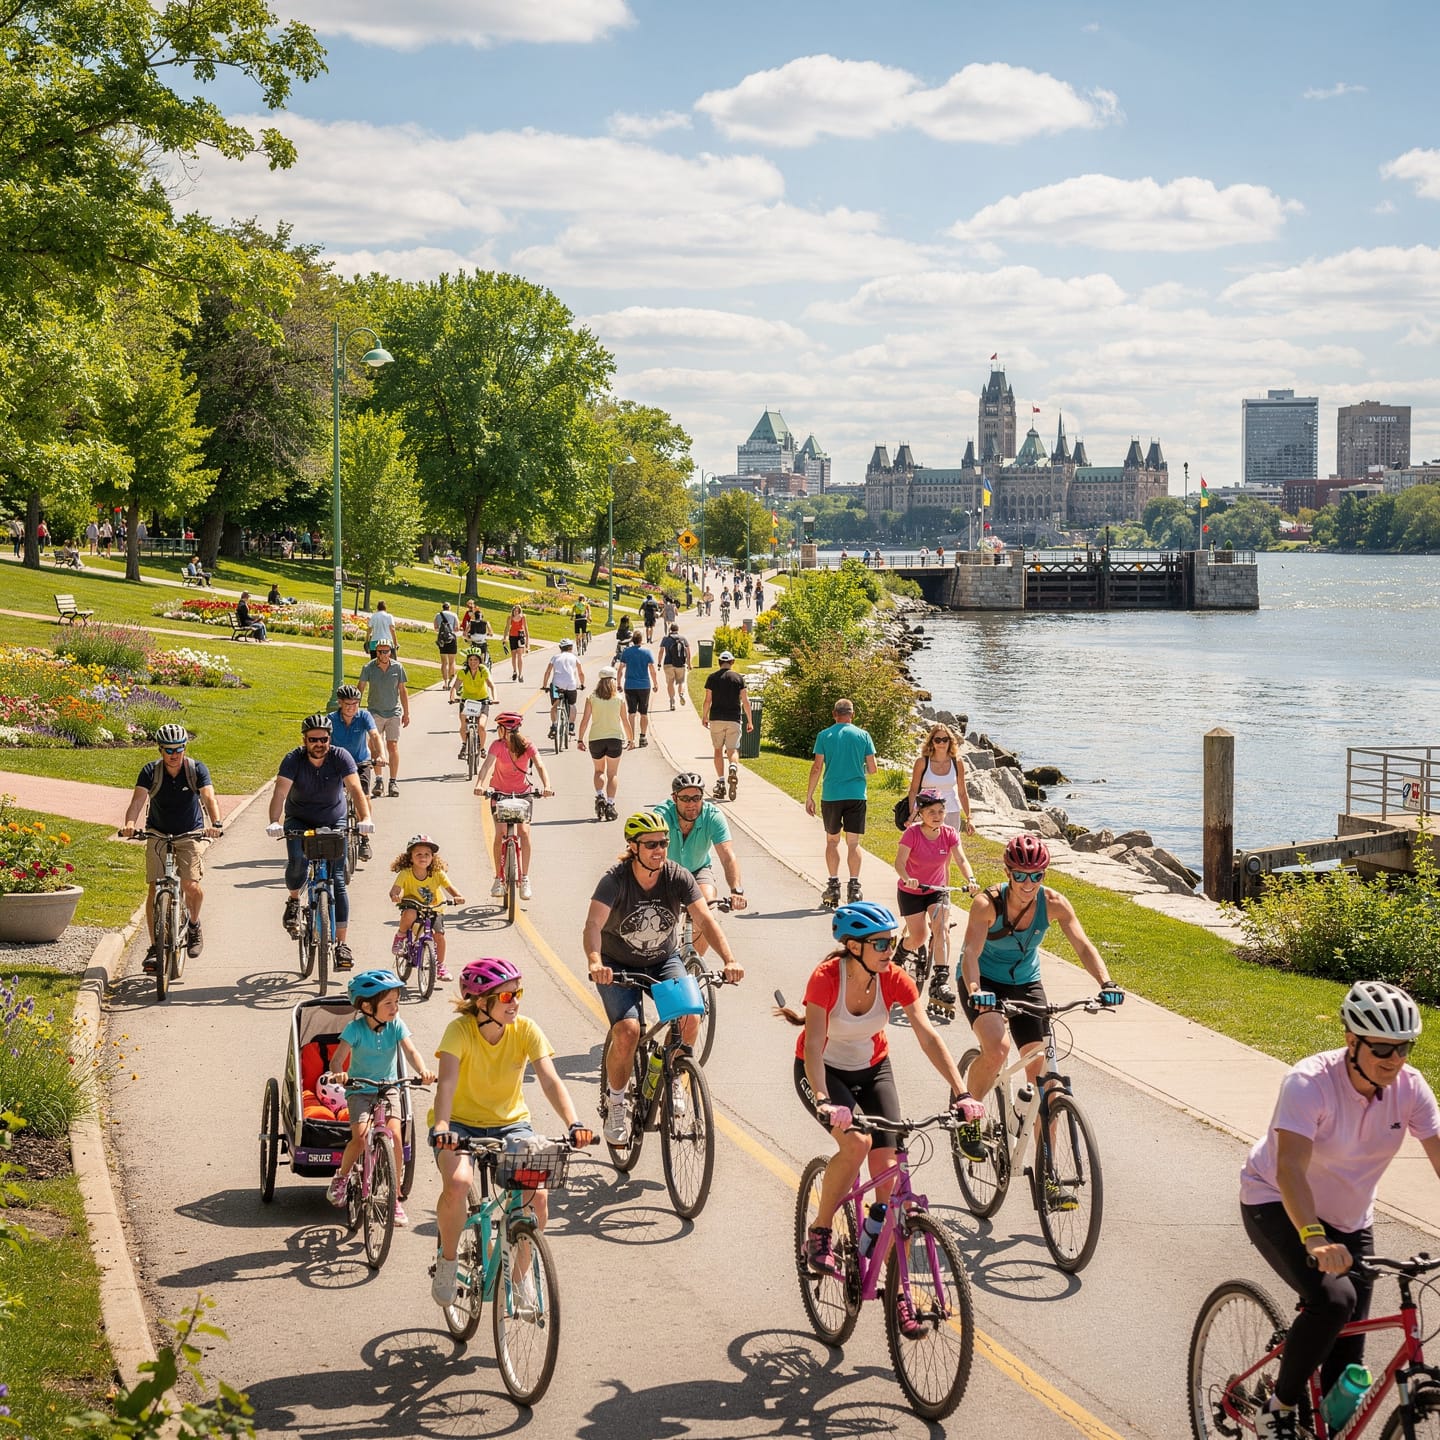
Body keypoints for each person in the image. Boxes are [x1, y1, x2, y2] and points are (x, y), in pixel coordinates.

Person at [1239, 982, 1440, 1440]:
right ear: (1352, 1040)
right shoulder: (1309, 1082)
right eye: (1383, 1048)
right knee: (1335, 1301)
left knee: (1345, 1374)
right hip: (1277, 1201)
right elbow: (1289, 1168)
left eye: (1403, 1047)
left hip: (1350, 1220)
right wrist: (1313, 1237)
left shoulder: (1409, 1087)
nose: (1395, 1059)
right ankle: (1279, 1406)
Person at [781, 901, 979, 1331]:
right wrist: (821, 1099)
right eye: (881, 943)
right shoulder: (825, 979)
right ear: (853, 947)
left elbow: (927, 1036)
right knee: (856, 1143)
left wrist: (962, 1093)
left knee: (890, 1184)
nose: (891, 949)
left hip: (873, 1069)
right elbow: (813, 1045)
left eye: (893, 940)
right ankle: (819, 1232)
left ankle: (898, 1292)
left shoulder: (893, 978)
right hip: (823, 1072)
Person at [429, 957, 596, 1308]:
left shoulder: (526, 1029)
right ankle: (447, 1261)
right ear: (481, 1002)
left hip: (511, 1124)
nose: (515, 1002)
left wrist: (574, 1123)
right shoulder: (459, 1032)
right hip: (457, 1124)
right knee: (458, 1183)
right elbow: (446, 1084)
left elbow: (550, 1079)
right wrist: (443, 1127)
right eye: (506, 997)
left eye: (517, 993)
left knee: (537, 1195)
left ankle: (520, 1280)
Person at [955, 833, 1122, 1165]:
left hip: (1026, 983)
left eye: (1036, 876)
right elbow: (970, 953)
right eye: (1019, 875)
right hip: (982, 981)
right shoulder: (987, 905)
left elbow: (1083, 946)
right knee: (998, 1048)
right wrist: (976, 992)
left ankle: (1049, 1174)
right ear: (1007, 873)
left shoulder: (1055, 903)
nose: (1027, 883)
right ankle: (968, 1115)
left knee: (1047, 1082)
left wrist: (1106, 982)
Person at [585, 811, 744, 1144]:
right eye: (652, 844)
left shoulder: (677, 876)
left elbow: (705, 920)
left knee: (689, 1015)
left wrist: (729, 959)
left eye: (664, 843)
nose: (660, 850)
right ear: (633, 846)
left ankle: (672, 1072)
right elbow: (593, 926)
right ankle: (615, 1101)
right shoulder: (615, 880)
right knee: (628, 1032)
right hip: (618, 964)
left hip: (662, 959)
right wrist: (596, 960)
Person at [326, 970, 435, 1227]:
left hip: (389, 1087)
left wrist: (423, 1071)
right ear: (367, 1006)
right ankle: (341, 1177)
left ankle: (393, 1197)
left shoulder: (396, 1025)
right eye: (388, 1003)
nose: (394, 1008)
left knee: (396, 1137)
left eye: (397, 1002)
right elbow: (337, 1059)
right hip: (360, 1089)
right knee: (361, 1135)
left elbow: (411, 1051)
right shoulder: (354, 1029)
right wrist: (339, 1074)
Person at [265, 713, 374, 969]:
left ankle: (342, 945)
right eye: (313, 739)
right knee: (298, 864)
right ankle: (293, 901)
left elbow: (356, 790)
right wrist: (274, 820)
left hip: (333, 821)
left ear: (329, 739)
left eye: (323, 739)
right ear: (304, 740)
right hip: (299, 820)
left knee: (337, 881)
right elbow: (280, 791)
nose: (318, 744)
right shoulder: (294, 759)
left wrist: (365, 817)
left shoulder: (340, 757)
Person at [119, 724, 223, 972]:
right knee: (155, 888)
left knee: (191, 886)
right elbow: (137, 801)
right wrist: (130, 825)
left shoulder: (196, 770)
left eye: (178, 749)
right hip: (157, 833)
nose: (174, 754)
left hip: (190, 833)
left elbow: (209, 797)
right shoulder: (150, 771)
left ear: (185, 748)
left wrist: (215, 824)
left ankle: (194, 926)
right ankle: (155, 947)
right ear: (161, 749)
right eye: (168, 750)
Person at [894, 790, 977, 1016]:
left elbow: (960, 859)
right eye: (931, 812)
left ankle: (941, 979)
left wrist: (970, 879)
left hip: (937, 890)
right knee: (919, 937)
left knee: (941, 927)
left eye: (941, 811)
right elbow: (899, 863)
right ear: (920, 813)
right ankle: (902, 951)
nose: (938, 815)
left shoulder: (949, 833)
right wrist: (906, 878)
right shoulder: (912, 834)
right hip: (912, 891)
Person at [655, 773, 747, 956]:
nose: (691, 804)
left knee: (707, 912)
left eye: (697, 798)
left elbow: (727, 855)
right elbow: (648, 852)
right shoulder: (661, 816)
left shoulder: (712, 816)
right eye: (685, 798)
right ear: (674, 798)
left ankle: (693, 968)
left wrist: (736, 890)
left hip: (698, 870)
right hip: (665, 871)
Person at [806, 698, 877, 909]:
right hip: (856, 795)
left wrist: (809, 795)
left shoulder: (824, 735)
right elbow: (873, 768)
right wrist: (857, 771)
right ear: (852, 714)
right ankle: (854, 887)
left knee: (832, 841)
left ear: (833, 714)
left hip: (832, 795)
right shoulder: (863, 735)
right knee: (853, 843)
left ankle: (833, 885)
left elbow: (817, 767)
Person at [473, 712, 553, 902]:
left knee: (524, 833)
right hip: (499, 793)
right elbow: (486, 766)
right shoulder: (497, 745)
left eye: (498, 728)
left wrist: (547, 786)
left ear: (504, 729)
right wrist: (480, 784)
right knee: (500, 833)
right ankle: (499, 877)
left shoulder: (527, 745)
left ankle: (524, 877)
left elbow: (540, 765)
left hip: (523, 794)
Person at [389, 834, 465, 982]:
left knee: (439, 935)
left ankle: (440, 966)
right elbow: (395, 889)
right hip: (413, 904)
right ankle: (400, 936)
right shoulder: (406, 873)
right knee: (409, 914)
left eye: (427, 854)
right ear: (410, 857)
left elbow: (449, 887)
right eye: (418, 854)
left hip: (434, 908)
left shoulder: (437, 873)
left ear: (432, 858)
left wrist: (458, 896)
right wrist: (395, 895)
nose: (423, 857)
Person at [329, 684, 382, 856]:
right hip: (338, 764)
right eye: (347, 704)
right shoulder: (330, 719)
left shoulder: (364, 716)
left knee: (364, 797)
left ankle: (364, 837)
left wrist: (381, 754)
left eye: (355, 704)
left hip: (360, 762)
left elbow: (374, 735)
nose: (351, 708)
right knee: (331, 797)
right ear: (339, 703)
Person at [357, 640, 410, 798]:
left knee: (392, 745)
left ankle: (393, 781)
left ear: (391, 652)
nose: (383, 655)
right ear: (376, 653)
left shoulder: (397, 667)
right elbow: (360, 688)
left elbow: (402, 690)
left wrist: (406, 713)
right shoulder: (369, 668)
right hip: (375, 712)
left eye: (386, 651)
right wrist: (354, 710)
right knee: (374, 747)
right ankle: (379, 780)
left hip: (393, 712)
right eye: (380, 652)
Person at [577, 665, 630, 819]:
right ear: (614, 681)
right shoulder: (619, 698)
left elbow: (585, 720)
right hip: (615, 738)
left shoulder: (592, 697)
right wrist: (631, 738)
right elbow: (625, 721)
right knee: (612, 774)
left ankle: (600, 795)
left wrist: (580, 739)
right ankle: (611, 804)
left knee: (599, 771)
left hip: (596, 739)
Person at [701, 650, 752, 800]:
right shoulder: (738, 679)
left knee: (718, 750)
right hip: (734, 719)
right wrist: (750, 721)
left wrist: (704, 716)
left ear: (719, 662)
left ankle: (721, 782)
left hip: (716, 719)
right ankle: (733, 767)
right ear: (732, 662)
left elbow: (707, 700)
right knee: (733, 750)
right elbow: (745, 701)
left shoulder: (712, 678)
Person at [906, 723, 973, 836]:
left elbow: (962, 792)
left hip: (951, 811)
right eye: (937, 740)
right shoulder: (922, 762)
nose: (941, 743)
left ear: (950, 742)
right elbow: (913, 790)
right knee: (925, 848)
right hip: (926, 812)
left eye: (945, 739)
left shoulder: (957, 762)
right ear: (932, 742)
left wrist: (969, 818)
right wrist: (912, 813)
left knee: (950, 848)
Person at [617, 629, 658, 749]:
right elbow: (652, 670)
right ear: (641, 640)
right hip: (644, 686)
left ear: (632, 640)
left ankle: (631, 738)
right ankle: (643, 736)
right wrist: (655, 683)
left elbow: (620, 669)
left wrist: (618, 683)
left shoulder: (626, 652)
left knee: (631, 712)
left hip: (630, 685)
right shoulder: (647, 652)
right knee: (644, 713)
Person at [541, 638, 584, 740]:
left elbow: (547, 672)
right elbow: (581, 673)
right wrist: (582, 684)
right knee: (572, 705)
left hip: (557, 685)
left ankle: (554, 725)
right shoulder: (574, 658)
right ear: (571, 648)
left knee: (555, 706)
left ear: (560, 648)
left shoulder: (555, 657)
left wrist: (544, 685)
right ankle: (571, 726)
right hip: (571, 685)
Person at [454, 647, 493, 758]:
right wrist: (453, 696)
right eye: (470, 660)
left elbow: (491, 685)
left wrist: (494, 697)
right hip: (467, 700)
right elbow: (455, 687)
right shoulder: (463, 672)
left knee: (481, 726)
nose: (473, 662)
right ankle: (464, 743)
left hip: (482, 700)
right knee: (463, 724)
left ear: (479, 660)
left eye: (475, 660)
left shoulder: (483, 670)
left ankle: (482, 748)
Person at [657, 623, 691, 710]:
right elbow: (688, 651)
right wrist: (689, 663)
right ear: (677, 629)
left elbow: (661, 651)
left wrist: (659, 663)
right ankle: (681, 694)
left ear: (670, 630)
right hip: (680, 663)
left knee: (670, 682)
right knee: (681, 682)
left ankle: (672, 700)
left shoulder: (665, 639)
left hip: (668, 664)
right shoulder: (682, 638)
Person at [434, 602, 460, 695]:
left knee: (444, 662)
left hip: (442, 640)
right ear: (450, 607)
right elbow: (457, 628)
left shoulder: (438, 615)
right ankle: (451, 682)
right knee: (452, 661)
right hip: (451, 639)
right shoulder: (454, 615)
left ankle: (445, 682)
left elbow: (436, 628)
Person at [505, 603, 529, 682]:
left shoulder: (523, 617)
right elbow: (507, 628)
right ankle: (515, 671)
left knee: (520, 655)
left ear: (519, 611)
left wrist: (527, 642)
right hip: (512, 637)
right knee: (513, 655)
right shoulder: (510, 618)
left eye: (517, 611)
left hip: (520, 637)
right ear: (513, 611)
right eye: (515, 611)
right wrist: (505, 638)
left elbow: (525, 628)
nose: (516, 612)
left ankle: (520, 674)